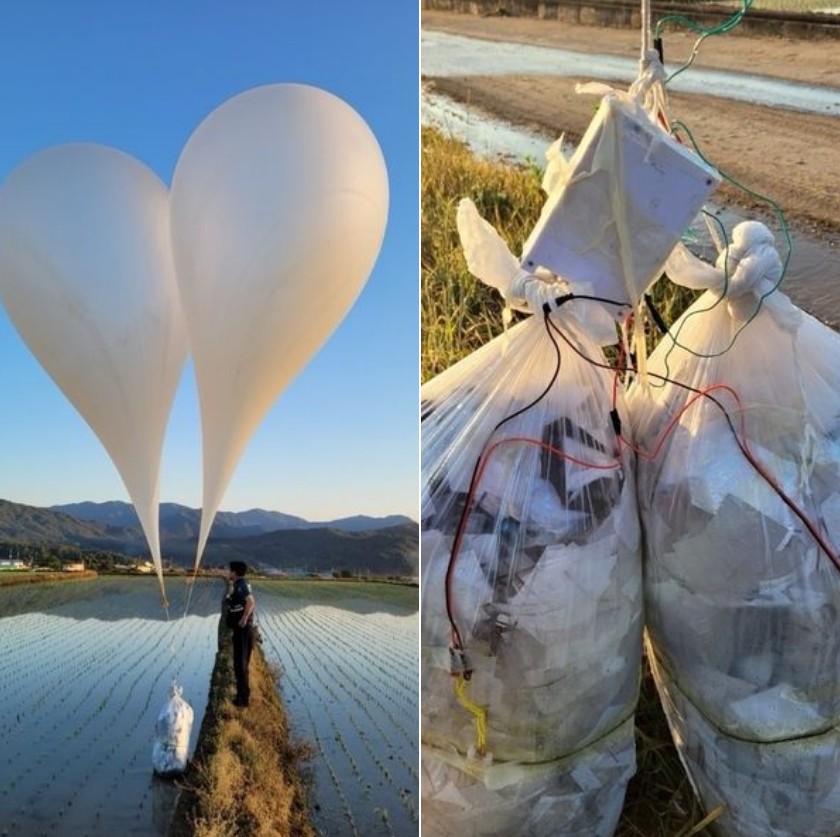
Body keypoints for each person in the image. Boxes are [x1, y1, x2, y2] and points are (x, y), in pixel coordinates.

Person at [226, 560, 256, 707]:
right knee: (241, 664)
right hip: (242, 630)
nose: (228, 573)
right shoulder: (240, 584)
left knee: (240, 665)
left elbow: (251, 602)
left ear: (235, 572)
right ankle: (242, 695)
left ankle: (242, 699)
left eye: (229, 570)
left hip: (243, 630)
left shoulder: (241, 585)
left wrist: (244, 619)